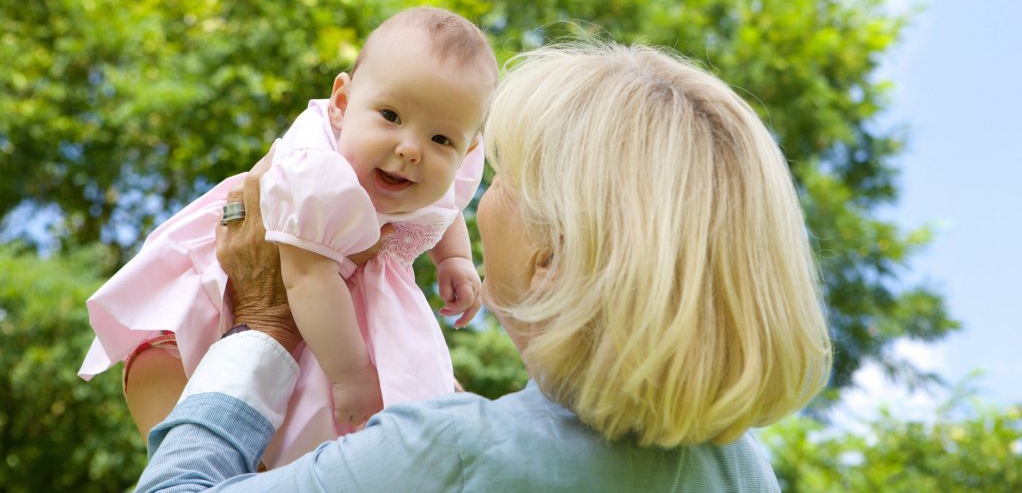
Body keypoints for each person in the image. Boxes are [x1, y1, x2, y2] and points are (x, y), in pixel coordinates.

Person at [135, 40, 833, 492]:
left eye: (499, 175)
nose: (477, 203)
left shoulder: (452, 456)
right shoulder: (744, 473)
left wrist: (258, 326)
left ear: (549, 259)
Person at [78, 7, 498, 467]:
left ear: (468, 148)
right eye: (391, 114)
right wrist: (352, 376)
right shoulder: (317, 171)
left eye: (441, 140)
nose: (412, 149)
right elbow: (305, 279)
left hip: (338, 308)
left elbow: (446, 206)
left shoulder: (444, 163)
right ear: (341, 103)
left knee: (340, 424)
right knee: (178, 371)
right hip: (270, 283)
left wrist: (452, 260)